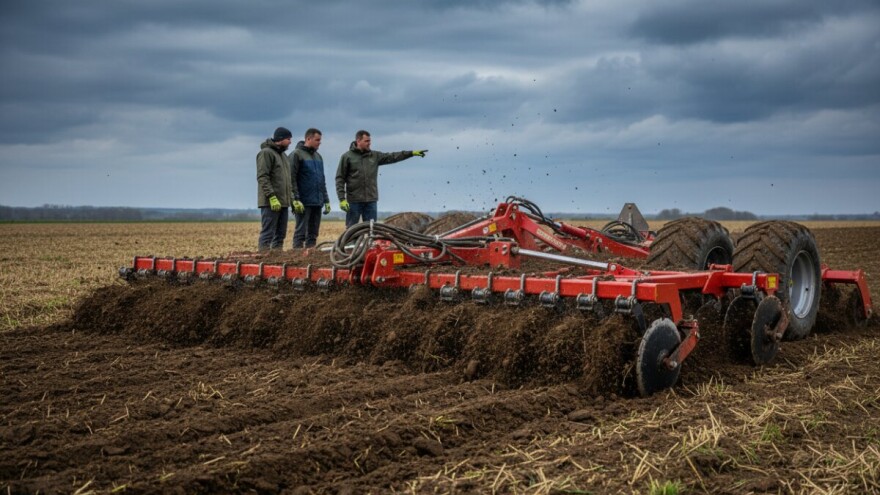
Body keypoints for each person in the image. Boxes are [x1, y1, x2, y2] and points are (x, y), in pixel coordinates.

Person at [335, 130, 427, 227]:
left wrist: (411, 153)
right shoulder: (347, 157)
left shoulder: (374, 156)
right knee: (352, 229)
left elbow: (392, 156)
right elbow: (340, 178)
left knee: (371, 229)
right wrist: (342, 199)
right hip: (354, 201)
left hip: (371, 201)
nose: (369, 143)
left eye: (370, 141)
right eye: (366, 141)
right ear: (358, 141)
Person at [290, 128, 330, 248]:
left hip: (317, 201)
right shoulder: (296, 155)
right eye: (317, 140)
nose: (319, 142)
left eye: (320, 140)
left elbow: (322, 180)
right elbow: (291, 178)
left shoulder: (318, 156)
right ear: (308, 139)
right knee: (300, 233)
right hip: (303, 201)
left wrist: (326, 199)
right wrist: (295, 199)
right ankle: (297, 255)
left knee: (313, 234)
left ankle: (311, 254)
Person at [256, 126, 293, 251]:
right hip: (270, 203)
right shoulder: (266, 153)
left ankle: (276, 259)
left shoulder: (284, 156)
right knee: (268, 234)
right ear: (280, 139)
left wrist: (291, 199)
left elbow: (287, 181)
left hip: (283, 202)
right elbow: (262, 177)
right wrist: (271, 196)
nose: (290, 142)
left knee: (280, 235)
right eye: (288, 139)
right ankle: (264, 258)